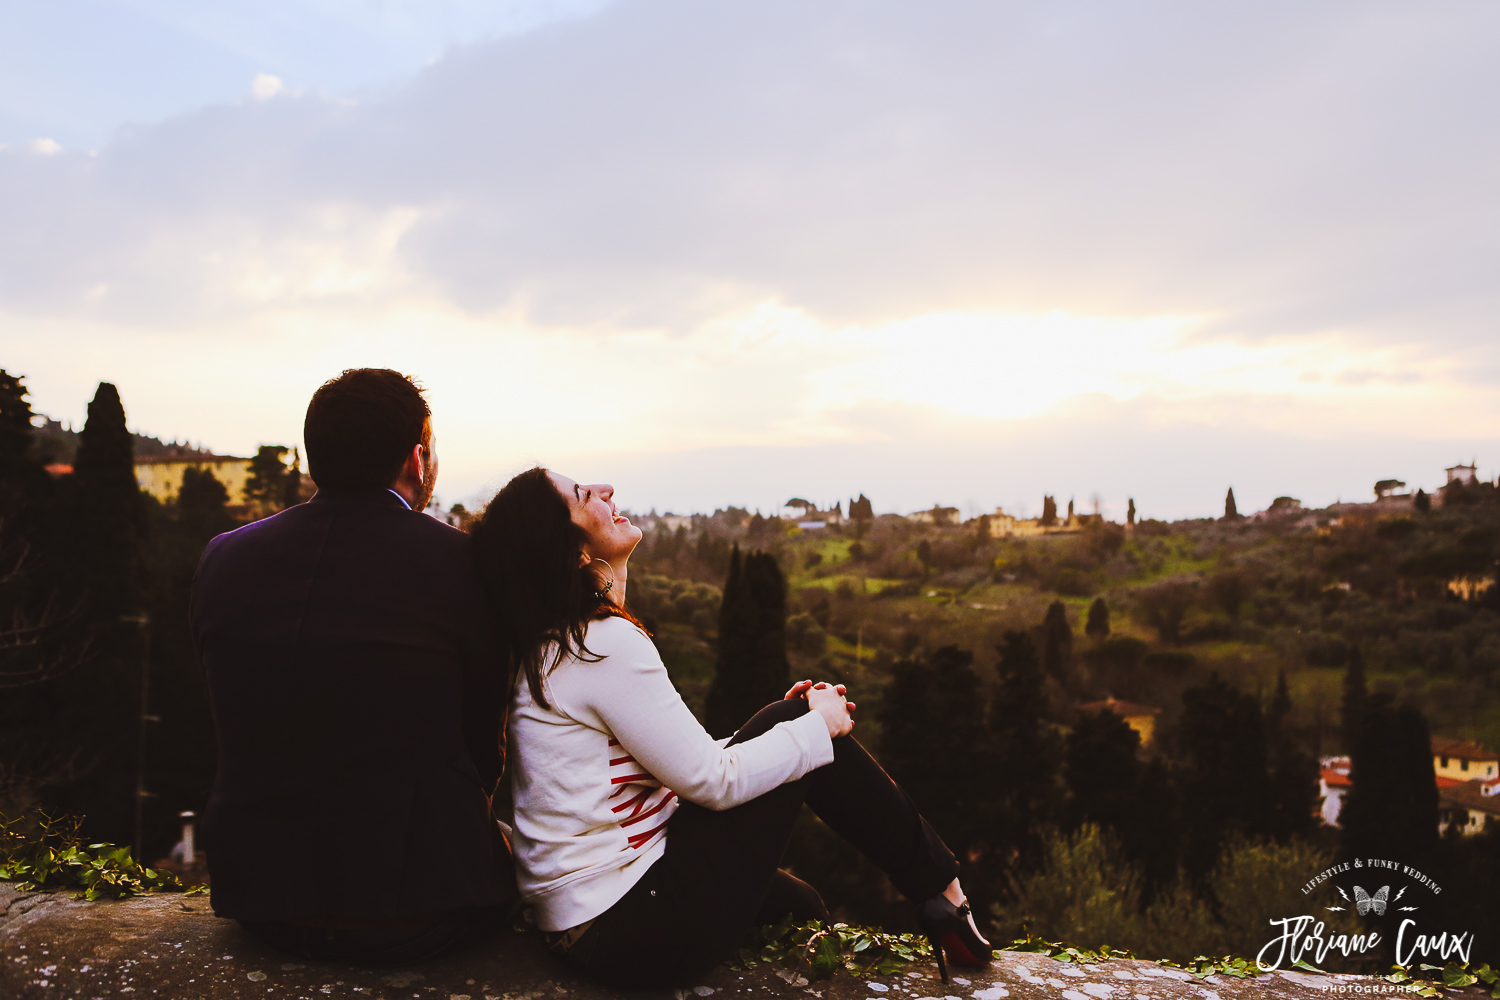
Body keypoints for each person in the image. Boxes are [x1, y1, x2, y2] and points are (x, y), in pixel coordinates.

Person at [471, 467, 991, 988]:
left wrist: (789, 735)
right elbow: (711, 781)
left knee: (802, 902)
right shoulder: (599, 644)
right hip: (624, 926)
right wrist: (814, 728)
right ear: (576, 554)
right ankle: (944, 894)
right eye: (585, 495)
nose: (605, 488)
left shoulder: (555, 646)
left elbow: (678, 762)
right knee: (798, 723)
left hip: (590, 922)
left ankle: (927, 903)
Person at [191, 368, 510, 964]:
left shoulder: (224, 558)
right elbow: (483, 737)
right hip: (421, 908)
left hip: (260, 902)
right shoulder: (464, 564)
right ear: (418, 459)